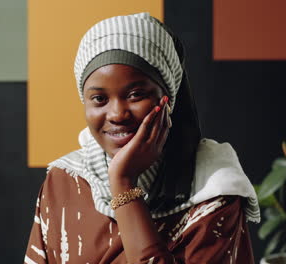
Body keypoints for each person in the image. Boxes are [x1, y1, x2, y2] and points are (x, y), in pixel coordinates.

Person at [24, 12, 260, 264]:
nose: (117, 114)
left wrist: (124, 184)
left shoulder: (213, 190)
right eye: (99, 99)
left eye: (136, 94)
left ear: (168, 97)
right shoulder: (64, 181)